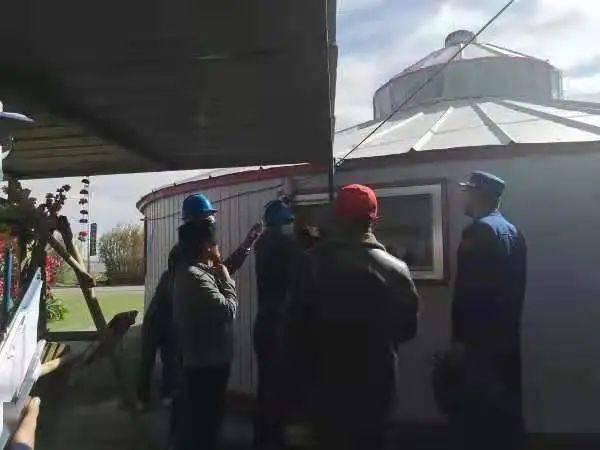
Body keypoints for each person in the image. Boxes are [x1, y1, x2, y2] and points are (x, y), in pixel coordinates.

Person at [283, 184, 420, 450]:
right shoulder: (397, 269)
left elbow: (292, 335)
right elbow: (407, 330)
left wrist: (291, 408)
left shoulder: (311, 264)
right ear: (373, 219)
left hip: (322, 397)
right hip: (376, 396)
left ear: (338, 218)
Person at [137, 193, 262, 406]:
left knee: (173, 366)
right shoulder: (186, 264)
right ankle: (146, 399)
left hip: (175, 319)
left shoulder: (190, 260)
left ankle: (167, 399)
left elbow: (220, 272)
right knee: (158, 360)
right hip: (161, 318)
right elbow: (216, 277)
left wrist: (246, 244)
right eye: (209, 222)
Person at [451, 171, 527, 450]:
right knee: (504, 418)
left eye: (467, 192)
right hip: (507, 340)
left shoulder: (478, 231)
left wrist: (458, 340)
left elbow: (468, 293)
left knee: (477, 422)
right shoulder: (513, 232)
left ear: (478, 194)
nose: (464, 198)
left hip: (479, 344)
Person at [172, 219, 238, 450]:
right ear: (206, 246)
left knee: (201, 423)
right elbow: (228, 310)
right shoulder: (195, 276)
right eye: (215, 242)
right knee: (205, 425)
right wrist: (227, 280)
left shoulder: (193, 272)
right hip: (206, 364)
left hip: (205, 360)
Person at [253, 200, 297, 449]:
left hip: (264, 324)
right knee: (280, 389)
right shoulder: (287, 247)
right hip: (281, 326)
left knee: (266, 386)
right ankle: (275, 439)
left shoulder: (262, 244)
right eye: (288, 221)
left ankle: (261, 439)